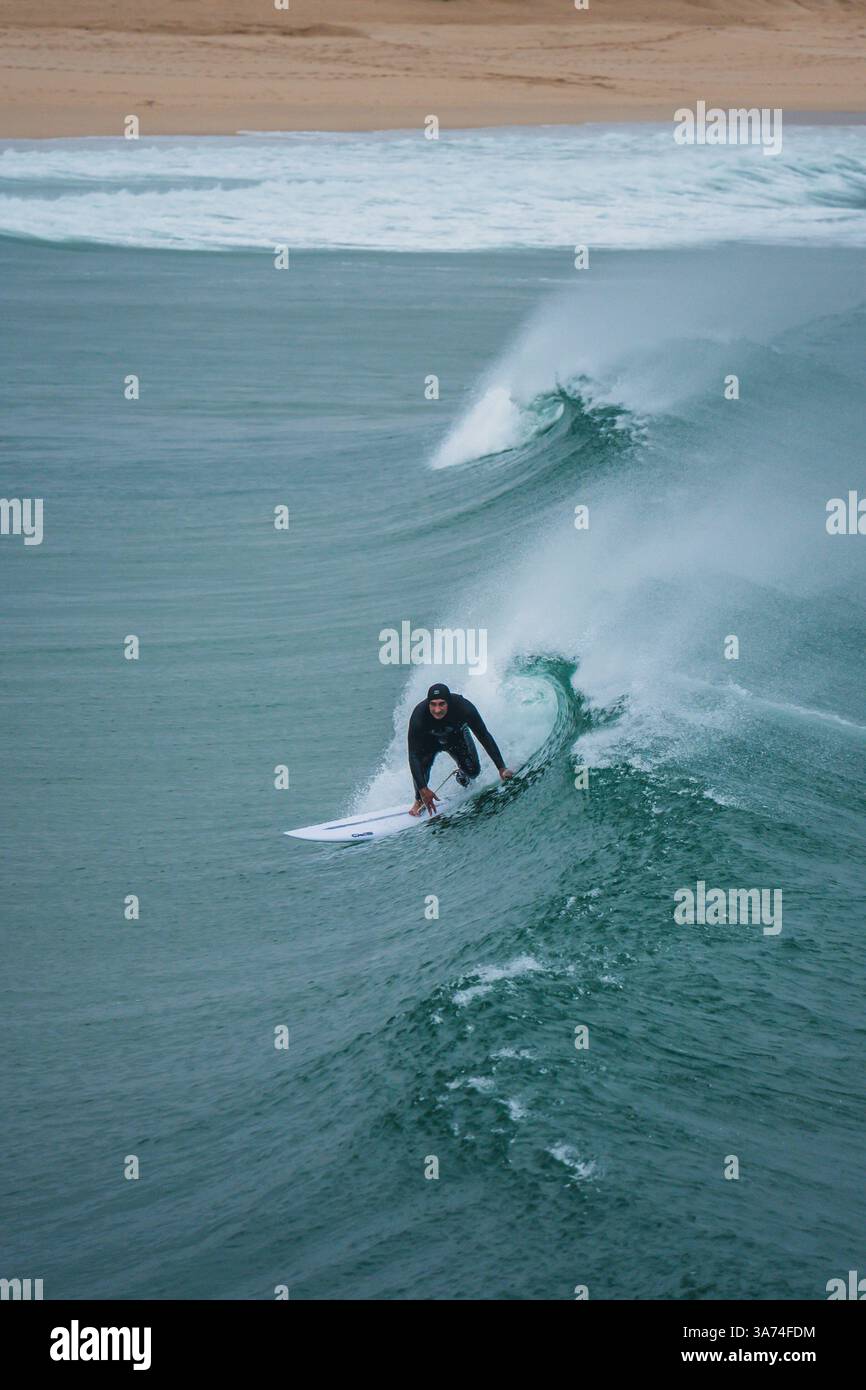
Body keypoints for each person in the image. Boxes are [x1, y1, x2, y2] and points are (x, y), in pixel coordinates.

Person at [407, 683, 513, 815]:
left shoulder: (464, 708)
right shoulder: (419, 715)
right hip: (429, 742)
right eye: (433, 704)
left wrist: (501, 768)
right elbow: (413, 755)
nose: (437, 709)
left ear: (449, 702)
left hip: (457, 737)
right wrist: (423, 789)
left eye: (441, 704)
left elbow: (484, 736)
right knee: (422, 764)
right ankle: (419, 800)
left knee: (473, 772)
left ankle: (461, 773)